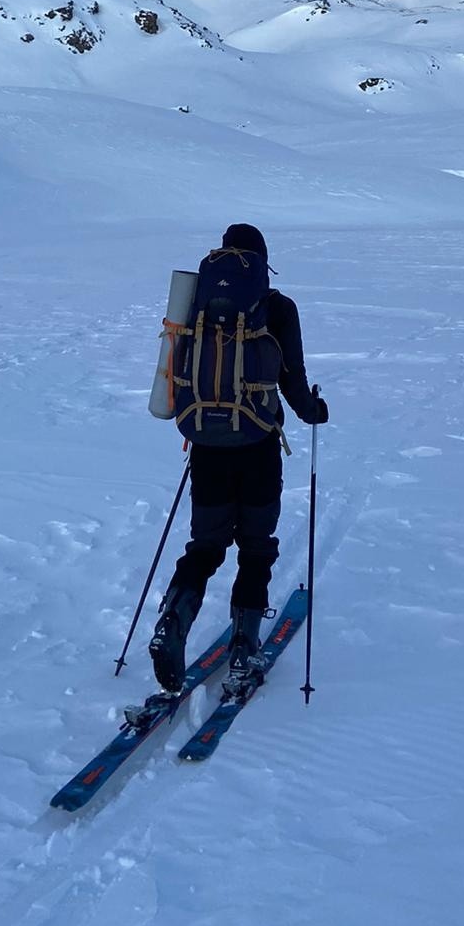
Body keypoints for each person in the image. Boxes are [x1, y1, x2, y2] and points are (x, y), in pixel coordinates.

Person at [150, 223, 328, 692]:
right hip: (257, 444)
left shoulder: (194, 300)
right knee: (256, 546)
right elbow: (292, 377)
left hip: (206, 443)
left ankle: (172, 619)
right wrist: (313, 411)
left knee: (205, 546)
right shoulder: (277, 307)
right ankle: (244, 646)